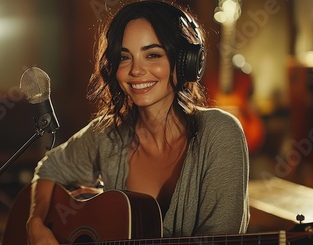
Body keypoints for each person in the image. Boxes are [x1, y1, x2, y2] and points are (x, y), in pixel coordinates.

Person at [26, 1, 249, 244]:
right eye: (124, 57)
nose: (136, 71)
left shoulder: (219, 133)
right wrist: (35, 223)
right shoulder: (107, 134)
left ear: (187, 62)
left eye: (152, 55)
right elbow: (49, 168)